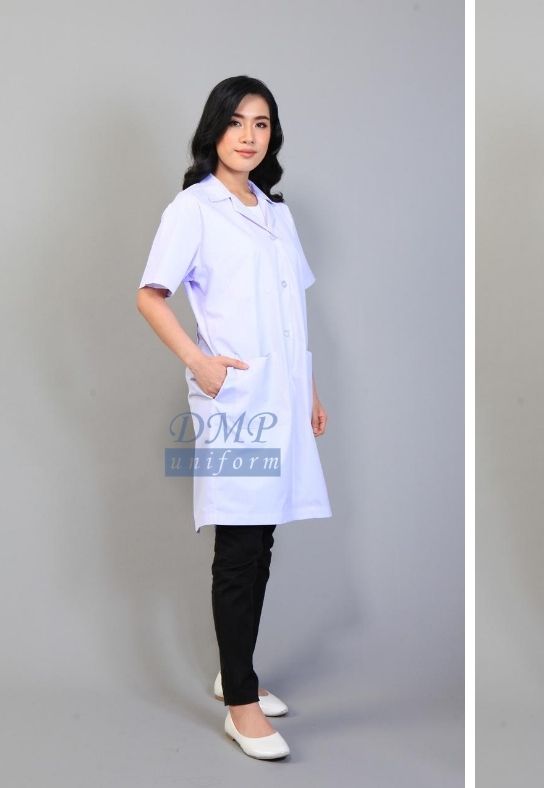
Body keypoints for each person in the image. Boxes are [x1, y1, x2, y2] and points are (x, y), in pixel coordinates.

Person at [136, 75, 333, 760]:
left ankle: (234, 671)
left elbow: (293, 311)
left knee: (263, 537)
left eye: (262, 123)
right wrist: (200, 362)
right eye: (237, 122)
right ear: (214, 129)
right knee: (239, 545)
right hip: (237, 401)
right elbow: (151, 295)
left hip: (283, 396)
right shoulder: (193, 208)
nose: (249, 136)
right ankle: (241, 706)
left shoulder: (276, 213)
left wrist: (309, 390)